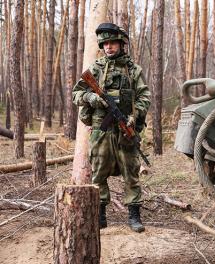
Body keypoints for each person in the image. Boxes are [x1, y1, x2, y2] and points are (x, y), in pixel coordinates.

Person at [72, 22, 151, 233]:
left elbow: (144, 97)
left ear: (120, 44)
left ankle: (134, 216)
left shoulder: (133, 70)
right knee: (99, 173)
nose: (108, 47)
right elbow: (76, 94)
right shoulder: (95, 69)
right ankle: (100, 216)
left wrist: (134, 116)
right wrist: (92, 98)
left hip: (126, 128)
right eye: (105, 43)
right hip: (101, 129)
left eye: (112, 43)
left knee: (131, 172)